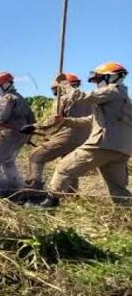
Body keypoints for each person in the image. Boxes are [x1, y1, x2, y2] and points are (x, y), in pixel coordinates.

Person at [39, 63, 132, 207]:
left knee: (64, 167)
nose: (96, 83)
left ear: (111, 77)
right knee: (118, 190)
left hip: (103, 145)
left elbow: (81, 97)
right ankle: (127, 214)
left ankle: (49, 203)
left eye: (99, 78)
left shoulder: (112, 91)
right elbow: (90, 120)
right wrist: (65, 121)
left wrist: (63, 83)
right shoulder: (121, 98)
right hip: (120, 150)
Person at [22, 73, 92, 191]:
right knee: (69, 164)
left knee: (36, 155)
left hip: (68, 135)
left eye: (54, 89)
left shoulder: (63, 98)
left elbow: (54, 120)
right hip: (84, 138)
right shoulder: (88, 100)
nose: (54, 92)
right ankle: (71, 194)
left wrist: (33, 126)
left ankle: (33, 187)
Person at [0, 72, 36, 189]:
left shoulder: (7, 98)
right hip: (22, 136)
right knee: (8, 161)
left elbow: (2, 117)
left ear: (5, 85)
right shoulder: (20, 97)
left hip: (10, 136)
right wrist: (28, 135)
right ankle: (16, 184)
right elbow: (32, 119)